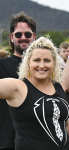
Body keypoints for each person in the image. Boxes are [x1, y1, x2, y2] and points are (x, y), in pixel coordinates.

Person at [0, 37, 69, 150]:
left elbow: (64, 125)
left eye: (47, 60)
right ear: (28, 62)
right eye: (36, 60)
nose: (42, 65)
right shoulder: (18, 87)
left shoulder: (58, 86)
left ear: (54, 63)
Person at [0, 12, 36, 150]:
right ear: (11, 37)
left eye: (27, 34)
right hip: (6, 140)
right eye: (18, 34)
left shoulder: (43, 68)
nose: (23, 38)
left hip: (35, 140)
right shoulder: (1, 65)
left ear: (34, 37)